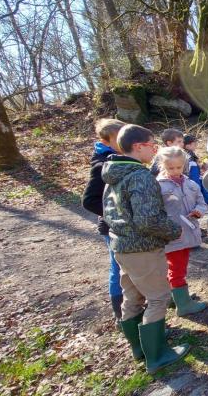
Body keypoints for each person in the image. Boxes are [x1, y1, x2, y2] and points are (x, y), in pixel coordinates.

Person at [101, 124, 189, 374]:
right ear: (138, 146)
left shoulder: (113, 173)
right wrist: (173, 230)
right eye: (152, 145)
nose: (155, 149)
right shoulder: (139, 176)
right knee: (158, 297)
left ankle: (139, 348)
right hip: (142, 249)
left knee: (132, 297)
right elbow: (148, 219)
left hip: (121, 246)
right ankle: (157, 354)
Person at [155, 147, 208, 316]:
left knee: (179, 266)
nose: (175, 171)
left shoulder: (190, 183)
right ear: (162, 166)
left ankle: (176, 296)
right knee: (176, 268)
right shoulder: (157, 186)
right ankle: (183, 305)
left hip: (188, 231)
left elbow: (202, 202)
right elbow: (155, 212)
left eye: (178, 167)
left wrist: (199, 211)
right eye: (171, 168)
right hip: (172, 236)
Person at [82, 118, 126, 320]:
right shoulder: (102, 165)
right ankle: (120, 313)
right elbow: (89, 201)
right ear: (107, 140)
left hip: (127, 226)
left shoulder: (122, 157)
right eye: (120, 137)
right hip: (112, 227)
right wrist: (116, 215)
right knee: (117, 268)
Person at [184, 135, 208, 235]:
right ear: (188, 145)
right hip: (196, 187)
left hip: (197, 186)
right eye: (194, 143)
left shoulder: (191, 156)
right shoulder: (189, 158)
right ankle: (206, 228)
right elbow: (193, 175)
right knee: (205, 208)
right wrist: (197, 189)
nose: (196, 145)